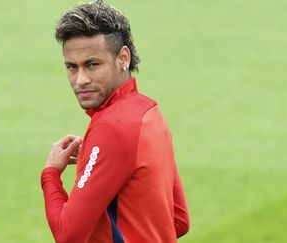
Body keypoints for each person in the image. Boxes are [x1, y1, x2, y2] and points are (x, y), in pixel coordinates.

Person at [41, 1, 189, 242]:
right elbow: (179, 220)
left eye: (92, 65)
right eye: (71, 67)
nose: (80, 80)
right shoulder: (149, 113)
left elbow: (67, 235)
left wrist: (50, 174)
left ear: (123, 57)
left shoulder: (110, 128)